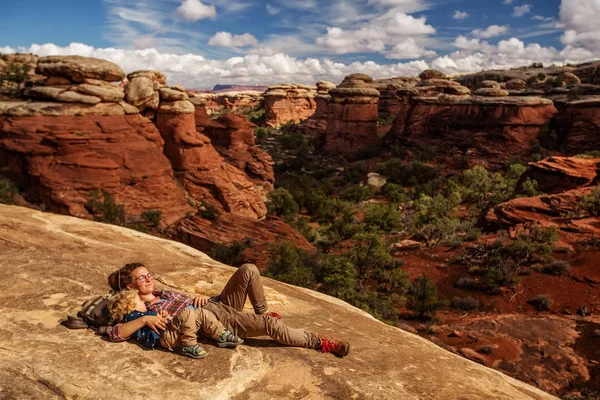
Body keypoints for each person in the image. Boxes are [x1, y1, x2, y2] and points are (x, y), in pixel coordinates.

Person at [106, 262, 350, 357]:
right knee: (272, 327)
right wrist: (147, 318)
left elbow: (189, 302)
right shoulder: (137, 309)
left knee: (249, 269)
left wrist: (197, 296)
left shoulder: (163, 293)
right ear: (130, 286)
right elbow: (117, 332)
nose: (149, 280)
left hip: (217, 304)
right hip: (216, 322)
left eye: (149, 275)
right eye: (141, 278)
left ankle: (261, 312)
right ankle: (320, 342)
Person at [109, 289, 243, 359]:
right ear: (129, 305)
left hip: (172, 331)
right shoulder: (131, 318)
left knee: (200, 312)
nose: (143, 302)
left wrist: (165, 316)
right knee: (188, 311)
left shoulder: (149, 311)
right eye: (139, 300)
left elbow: (164, 322)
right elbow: (117, 333)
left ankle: (221, 334)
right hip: (165, 338)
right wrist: (144, 320)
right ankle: (188, 345)